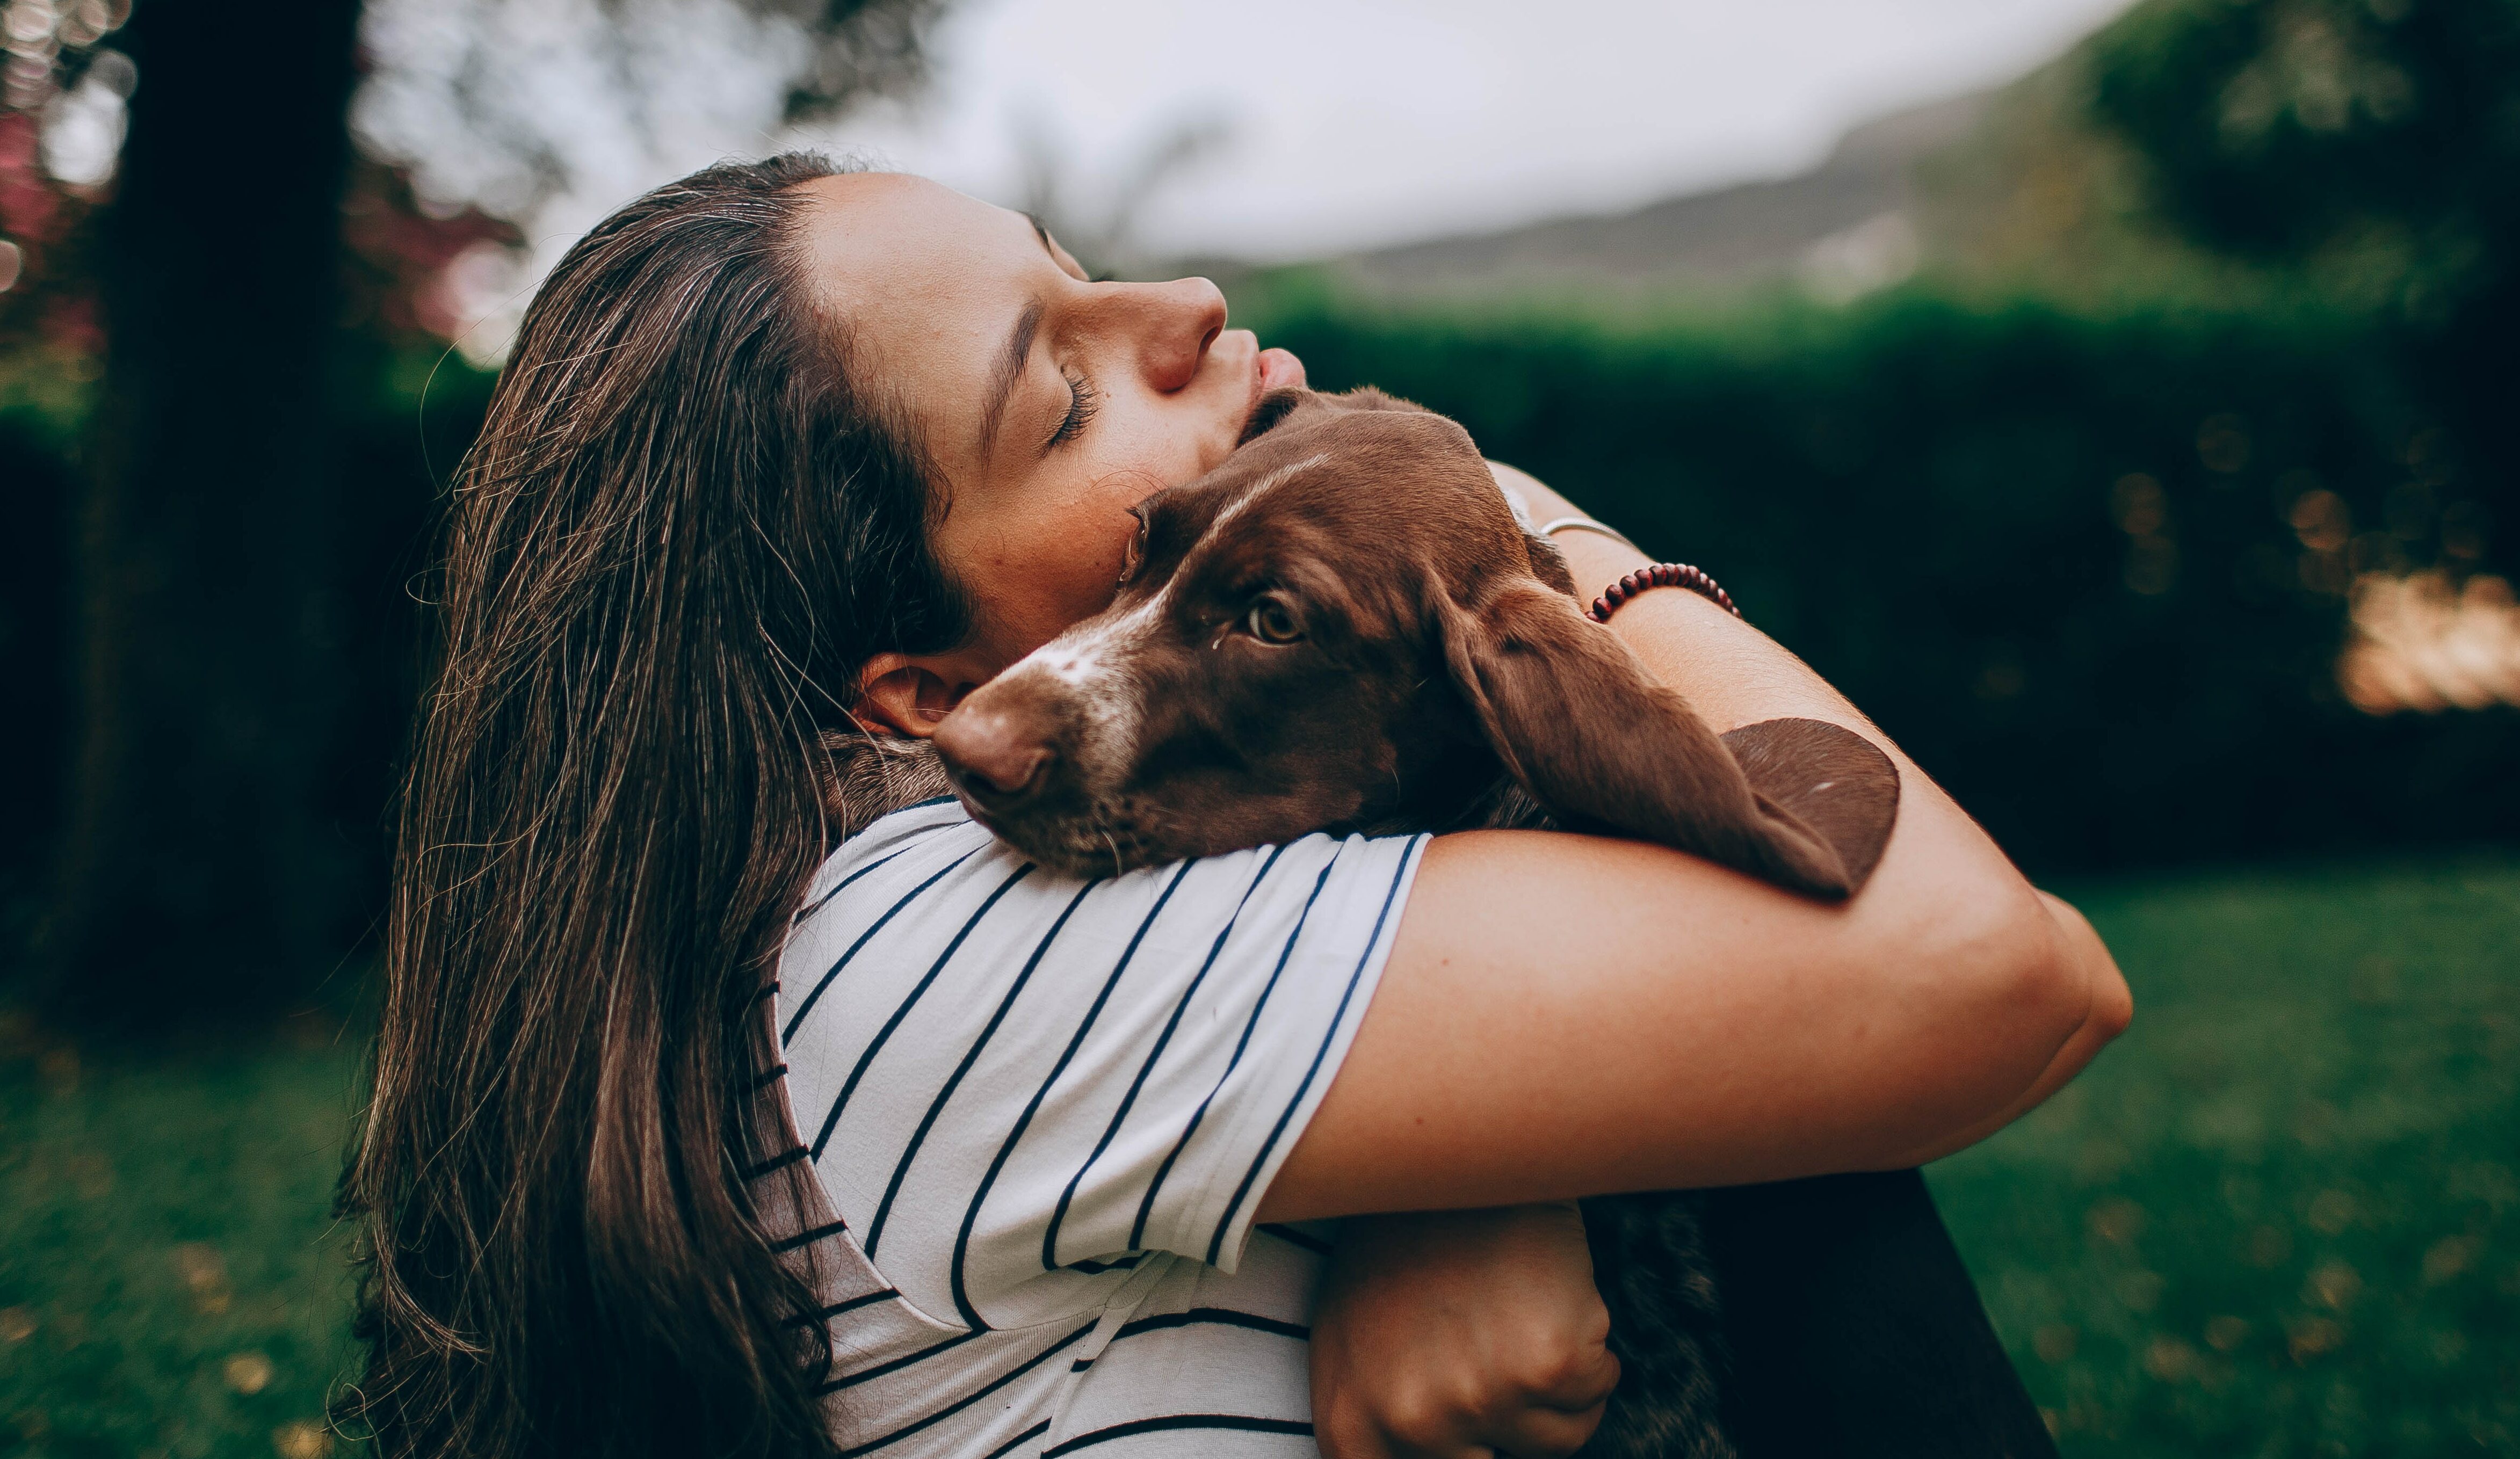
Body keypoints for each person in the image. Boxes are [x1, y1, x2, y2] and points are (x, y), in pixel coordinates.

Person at [341, 154, 2130, 1459]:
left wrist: (1512, 1170)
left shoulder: (1119, 876)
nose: (1185, 307)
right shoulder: (913, 946)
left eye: (1078, 263)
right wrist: (1524, 535)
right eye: (1062, 392)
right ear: (918, 702)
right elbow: (2001, 974)